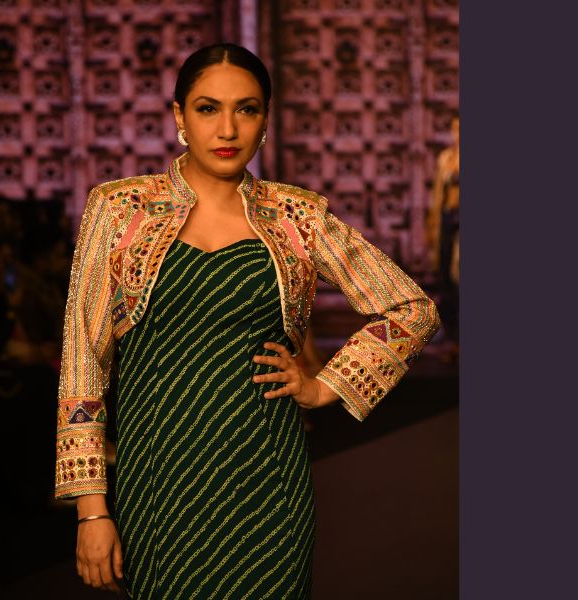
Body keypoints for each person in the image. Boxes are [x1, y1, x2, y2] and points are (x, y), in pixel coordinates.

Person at [55, 43, 440, 599]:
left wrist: (326, 385)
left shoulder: (296, 216)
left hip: (267, 485)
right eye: (208, 108)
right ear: (179, 116)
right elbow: (82, 362)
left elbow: (411, 307)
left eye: (247, 109)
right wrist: (91, 511)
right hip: (158, 483)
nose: (228, 129)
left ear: (265, 119)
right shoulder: (119, 210)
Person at [427, 115, 460, 359]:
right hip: (448, 220)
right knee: (446, 280)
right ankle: (452, 339)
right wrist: (434, 226)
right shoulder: (446, 158)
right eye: (455, 129)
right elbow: (439, 193)